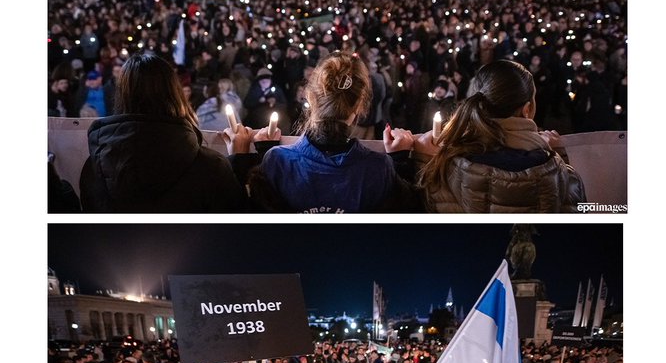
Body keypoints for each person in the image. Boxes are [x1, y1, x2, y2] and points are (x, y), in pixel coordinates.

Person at [78, 51, 254, 213]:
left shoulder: (94, 167)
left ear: (121, 96)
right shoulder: (211, 167)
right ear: (174, 93)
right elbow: (236, 224)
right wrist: (238, 161)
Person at [249, 52, 423, 213]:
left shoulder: (277, 161)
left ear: (311, 98)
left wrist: (253, 155)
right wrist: (400, 162)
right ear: (358, 107)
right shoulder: (378, 168)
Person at [409, 60, 586, 213]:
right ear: (527, 109)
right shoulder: (559, 173)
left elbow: (425, 207)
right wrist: (561, 158)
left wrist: (425, 160)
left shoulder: (446, 167)